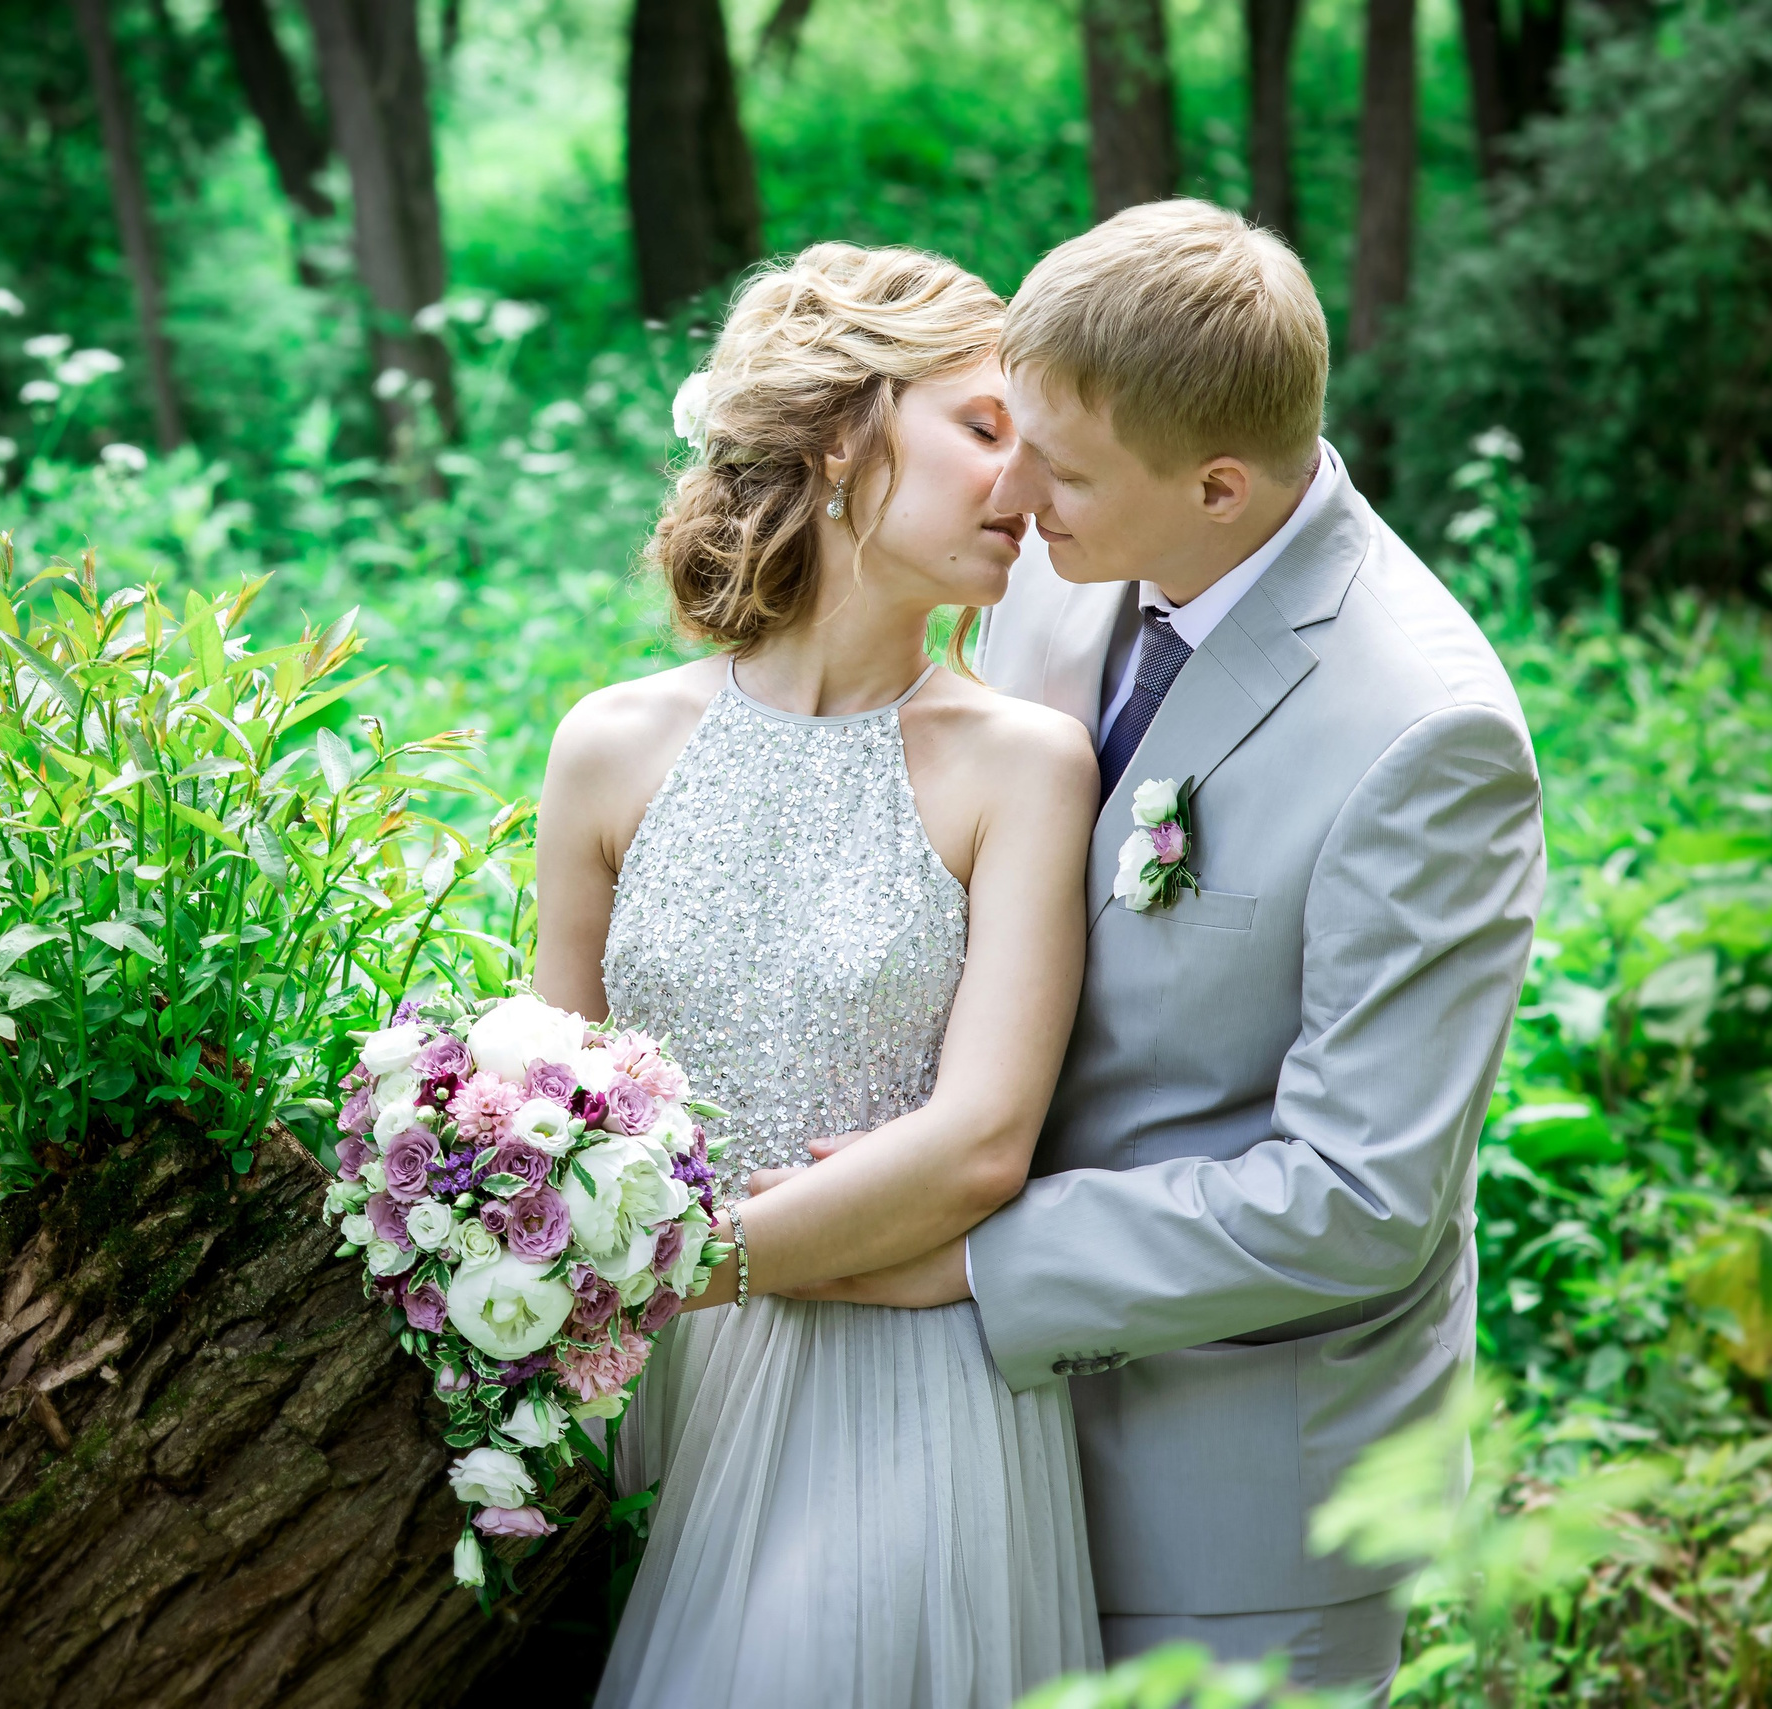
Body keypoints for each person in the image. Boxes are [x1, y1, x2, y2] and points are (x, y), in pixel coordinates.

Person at [783, 200, 1548, 1696]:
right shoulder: (1068, 568)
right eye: (1007, 433)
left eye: (1055, 467)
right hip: (970, 1458)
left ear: (1217, 484)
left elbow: (1357, 1198)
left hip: (1236, 1512)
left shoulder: (1425, 735)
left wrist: (970, 1258)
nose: (1010, 494)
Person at [533, 243, 1104, 1708]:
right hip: (638, 1397)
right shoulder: (610, 746)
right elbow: (548, 1105)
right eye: (985, 428)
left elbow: (979, 1144)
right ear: (845, 433)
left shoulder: (1025, 765)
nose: (1024, 488)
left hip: (890, 1400)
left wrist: (662, 1270)